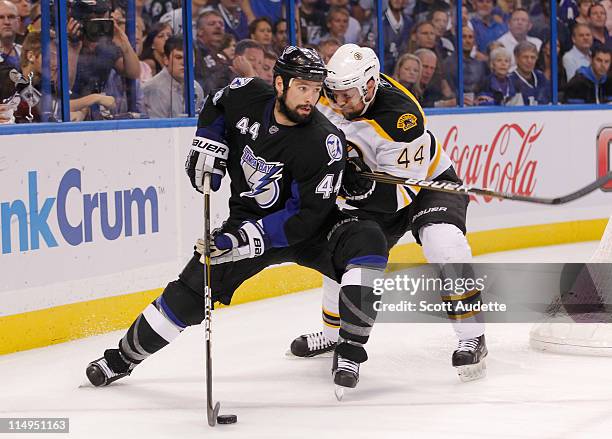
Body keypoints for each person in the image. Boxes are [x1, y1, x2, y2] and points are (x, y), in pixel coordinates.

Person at [85, 46, 389, 393]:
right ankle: (122, 359)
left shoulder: (324, 141)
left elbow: (304, 218)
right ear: (279, 83)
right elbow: (216, 103)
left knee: (368, 240)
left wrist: (243, 239)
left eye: (316, 89)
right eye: (302, 88)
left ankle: (349, 350)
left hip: (308, 230)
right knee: (189, 293)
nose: (311, 98)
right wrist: (208, 140)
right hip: (245, 222)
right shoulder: (245, 94)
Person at [289, 44, 487, 382]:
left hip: (424, 184)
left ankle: (472, 334)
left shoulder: (401, 118)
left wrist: (351, 184)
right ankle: (336, 333)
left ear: (368, 86)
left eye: (347, 95)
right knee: (341, 254)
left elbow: (400, 194)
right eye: (333, 94)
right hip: (371, 189)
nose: (338, 103)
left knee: (444, 243)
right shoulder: (326, 95)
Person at [143, 35, 204, 118]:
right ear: (166, 60)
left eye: (189, 58)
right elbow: (157, 129)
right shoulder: (154, 89)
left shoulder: (197, 88)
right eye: (179, 58)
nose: (184, 62)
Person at [509, 41, 550, 106]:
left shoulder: (541, 77)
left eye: (533, 57)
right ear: (516, 58)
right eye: (525, 57)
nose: (529, 61)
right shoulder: (509, 80)